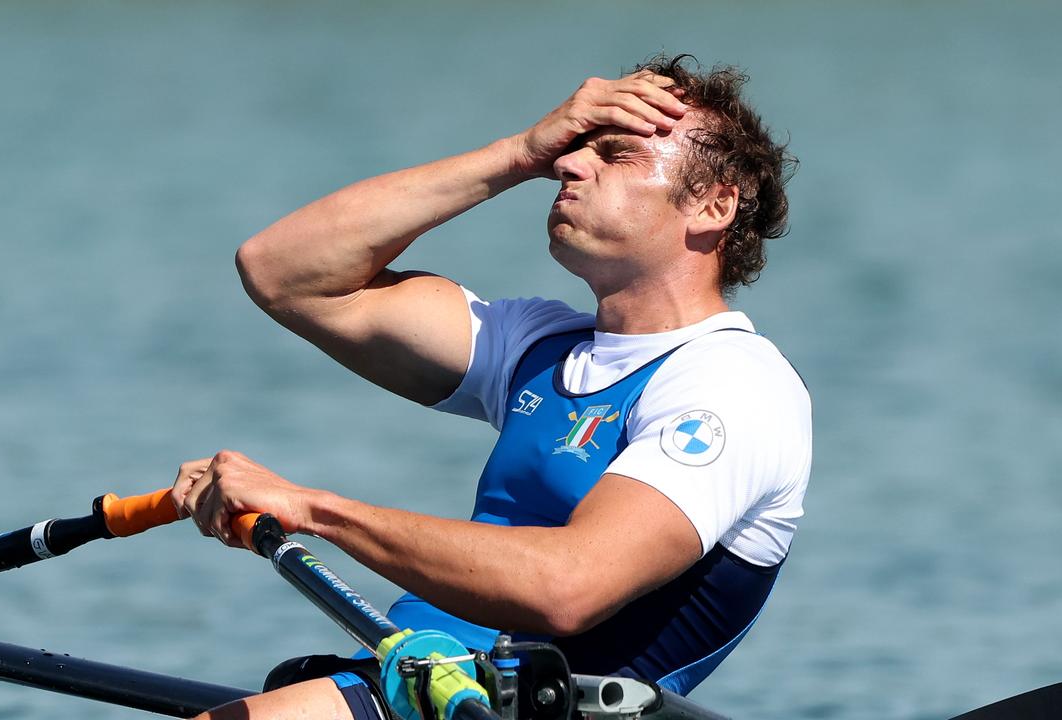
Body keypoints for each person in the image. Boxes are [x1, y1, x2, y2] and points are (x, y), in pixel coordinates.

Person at [173, 54, 811, 720]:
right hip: (420, 684)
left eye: (616, 154)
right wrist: (517, 152)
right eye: (571, 148)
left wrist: (312, 509)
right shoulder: (536, 347)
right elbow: (282, 271)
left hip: (514, 705)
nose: (570, 165)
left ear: (714, 205)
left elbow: (568, 587)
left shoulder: (735, 387)